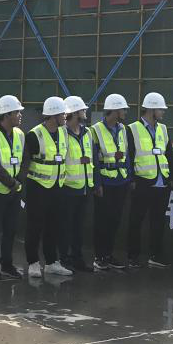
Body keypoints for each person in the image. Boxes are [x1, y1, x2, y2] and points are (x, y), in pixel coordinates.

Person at [22, 97, 74, 278]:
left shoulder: (63, 133)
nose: (65, 116)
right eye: (63, 113)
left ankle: (51, 262)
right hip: (37, 187)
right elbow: (25, 162)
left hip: (57, 186)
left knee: (54, 225)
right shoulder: (34, 135)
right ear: (53, 115)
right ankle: (33, 263)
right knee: (34, 226)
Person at [126, 91, 173, 269]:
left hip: (162, 182)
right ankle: (133, 256)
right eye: (160, 109)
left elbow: (169, 154)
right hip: (142, 182)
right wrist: (132, 179)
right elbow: (129, 155)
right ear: (151, 110)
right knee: (136, 220)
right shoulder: (132, 129)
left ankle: (156, 255)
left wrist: (171, 178)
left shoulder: (163, 129)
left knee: (158, 221)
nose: (163, 112)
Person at [0, 94, 25, 280]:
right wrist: (12, 182)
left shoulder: (20, 135)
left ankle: (7, 264)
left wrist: (19, 181)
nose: (20, 115)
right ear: (7, 114)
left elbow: (25, 160)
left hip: (15, 191)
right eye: (17, 112)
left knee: (11, 230)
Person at [91, 93, 132, 270]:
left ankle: (108, 254)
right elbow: (94, 159)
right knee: (102, 220)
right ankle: (99, 256)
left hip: (121, 181)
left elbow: (127, 155)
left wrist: (129, 178)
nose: (125, 112)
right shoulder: (95, 130)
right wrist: (97, 183)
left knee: (115, 220)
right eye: (123, 109)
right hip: (105, 183)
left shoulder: (123, 129)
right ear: (114, 110)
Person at [59, 95, 95, 273]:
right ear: (74, 113)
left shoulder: (87, 133)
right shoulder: (62, 134)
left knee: (78, 227)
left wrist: (95, 184)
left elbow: (93, 158)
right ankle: (64, 259)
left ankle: (77, 259)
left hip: (85, 186)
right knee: (65, 226)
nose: (85, 112)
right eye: (82, 110)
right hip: (68, 187)